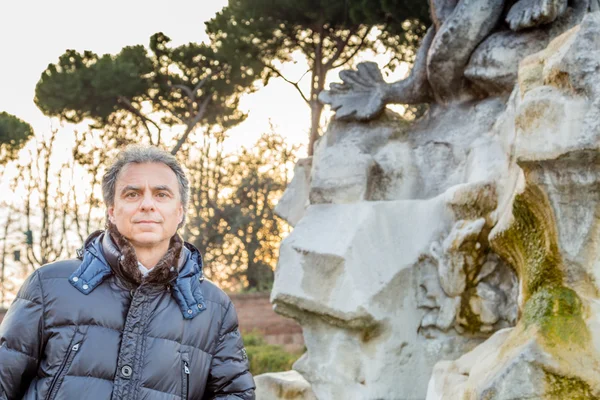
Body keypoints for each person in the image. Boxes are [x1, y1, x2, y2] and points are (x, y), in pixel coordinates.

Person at [0, 145, 255, 399]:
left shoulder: (214, 307)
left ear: (180, 212)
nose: (147, 204)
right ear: (112, 210)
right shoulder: (49, 285)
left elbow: (235, 394)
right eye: (132, 194)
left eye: (161, 194)